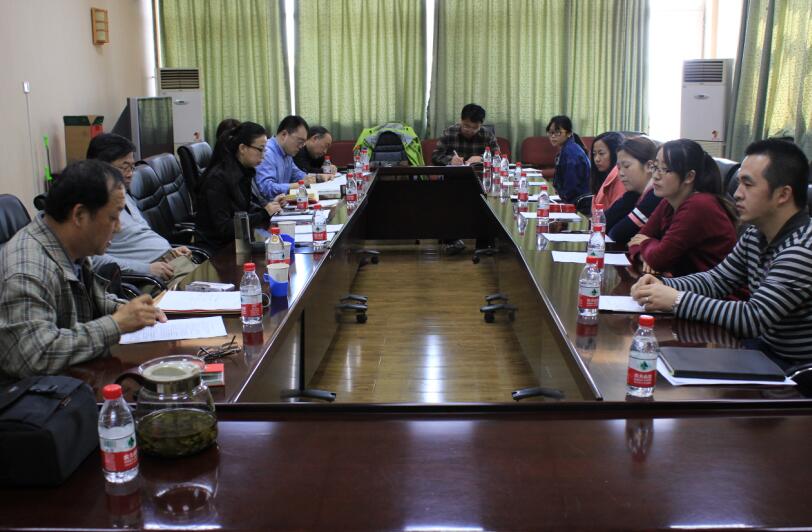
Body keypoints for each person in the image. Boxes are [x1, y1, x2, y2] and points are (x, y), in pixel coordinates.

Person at [631, 139, 812, 361]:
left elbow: (753, 317)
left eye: (748, 184)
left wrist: (677, 299)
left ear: (783, 195)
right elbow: (717, 280)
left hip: (793, 369)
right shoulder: (756, 234)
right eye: (739, 182)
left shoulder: (801, 249)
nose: (737, 193)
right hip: (761, 351)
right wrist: (662, 285)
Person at [0, 160, 166, 380]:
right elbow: (34, 356)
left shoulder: (71, 248)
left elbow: (92, 300)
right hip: (41, 394)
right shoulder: (27, 267)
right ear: (79, 215)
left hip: (75, 379)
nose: (118, 228)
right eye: (113, 217)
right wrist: (116, 324)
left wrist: (129, 310)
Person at [86, 134, 198, 289]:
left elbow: (139, 236)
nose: (130, 173)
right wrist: (146, 269)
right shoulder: (93, 205)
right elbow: (92, 260)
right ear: (101, 167)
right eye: (124, 167)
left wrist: (170, 251)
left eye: (132, 167)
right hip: (151, 278)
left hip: (171, 263)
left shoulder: (121, 192)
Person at [627, 139, 737, 277]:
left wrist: (646, 244)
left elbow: (658, 259)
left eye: (665, 169)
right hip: (684, 283)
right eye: (655, 167)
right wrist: (647, 253)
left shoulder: (699, 205)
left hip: (714, 288)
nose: (655, 176)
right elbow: (635, 241)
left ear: (689, 176)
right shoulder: (669, 201)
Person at [195, 122, 285, 252]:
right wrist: (264, 213)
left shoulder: (243, 171)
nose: (263, 155)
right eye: (260, 149)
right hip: (218, 250)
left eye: (264, 150)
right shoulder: (218, 179)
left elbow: (244, 208)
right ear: (242, 148)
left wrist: (270, 207)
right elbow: (224, 228)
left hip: (239, 241)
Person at [255, 115, 332, 200]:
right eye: (300, 141)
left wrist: (318, 177)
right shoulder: (267, 152)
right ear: (284, 135)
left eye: (303, 143)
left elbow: (298, 175)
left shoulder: (287, 153)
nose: (301, 146)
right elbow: (266, 188)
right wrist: (297, 185)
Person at [605, 136, 662, 246]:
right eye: (619, 168)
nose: (620, 174)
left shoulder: (655, 196)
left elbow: (617, 234)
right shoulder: (634, 194)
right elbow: (601, 222)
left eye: (626, 166)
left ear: (649, 166)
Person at [432, 103, 499, 166]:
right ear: (461, 120)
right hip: (454, 173)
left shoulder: (487, 135)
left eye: (475, 127)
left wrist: (483, 158)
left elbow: (498, 157)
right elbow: (435, 156)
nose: (470, 130)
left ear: (481, 124)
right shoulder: (449, 132)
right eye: (466, 126)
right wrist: (450, 160)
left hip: (479, 173)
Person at [546, 115, 590, 204]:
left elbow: (571, 188)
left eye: (558, 132)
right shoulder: (568, 148)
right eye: (551, 132)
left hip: (578, 203)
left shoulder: (570, 153)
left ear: (569, 133)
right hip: (573, 199)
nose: (553, 136)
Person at [591, 131, 625, 210]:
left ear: (615, 153)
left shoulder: (620, 177)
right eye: (594, 154)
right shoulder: (602, 175)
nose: (596, 159)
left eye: (601, 153)